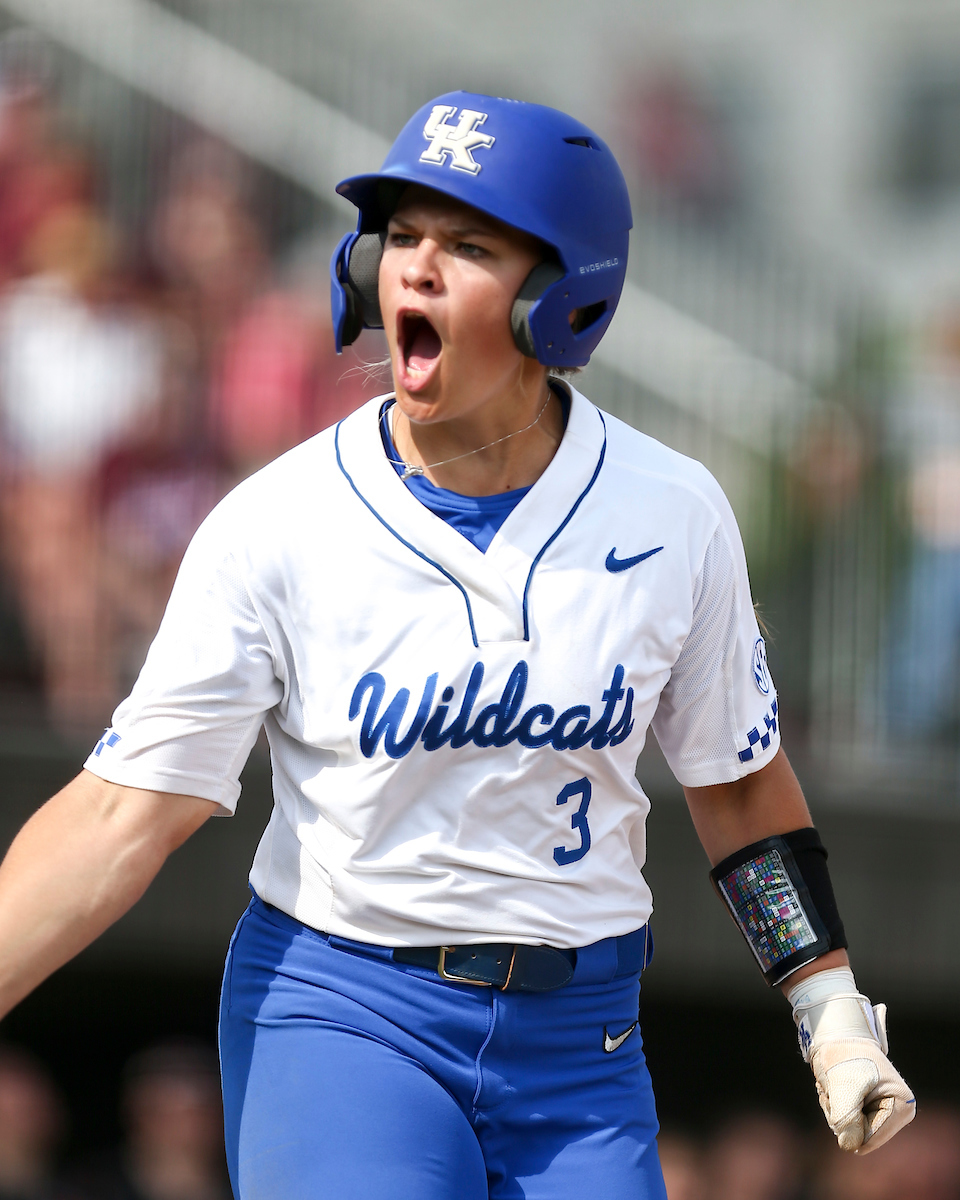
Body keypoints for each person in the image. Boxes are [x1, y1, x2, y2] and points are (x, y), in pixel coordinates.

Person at [0, 92, 915, 1200]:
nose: (416, 270)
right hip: (346, 1013)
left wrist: (827, 1007)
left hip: (585, 1042)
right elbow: (122, 814)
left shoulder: (672, 513)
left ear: (562, 299)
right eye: (404, 237)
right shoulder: (278, 523)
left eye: (469, 245)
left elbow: (740, 788)